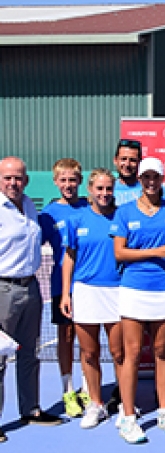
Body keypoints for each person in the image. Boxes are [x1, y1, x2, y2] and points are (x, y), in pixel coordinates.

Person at [111, 157, 165, 444]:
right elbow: (120, 253)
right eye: (146, 177)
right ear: (139, 179)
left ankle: (164, 410)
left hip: (164, 289)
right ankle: (128, 416)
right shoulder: (125, 212)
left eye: (155, 177)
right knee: (131, 353)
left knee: (162, 351)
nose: (151, 182)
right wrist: (158, 252)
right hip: (133, 289)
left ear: (162, 179)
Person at [0, 157, 63, 442]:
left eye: (18, 178)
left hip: (32, 287)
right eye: (7, 178)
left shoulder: (29, 206)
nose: (13, 183)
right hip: (3, 290)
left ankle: (31, 409)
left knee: (29, 353)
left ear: (26, 180)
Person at [60, 169, 123, 429]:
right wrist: (66, 293)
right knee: (89, 352)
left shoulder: (122, 217)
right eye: (99, 189)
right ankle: (95, 404)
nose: (104, 194)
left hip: (118, 291)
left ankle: (124, 405)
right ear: (90, 190)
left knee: (120, 353)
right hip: (85, 291)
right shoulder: (77, 220)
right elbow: (69, 258)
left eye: (109, 188)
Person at [38, 158, 88, 417]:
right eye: (63, 180)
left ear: (80, 181)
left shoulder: (91, 208)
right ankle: (68, 390)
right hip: (61, 286)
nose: (68, 185)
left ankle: (89, 388)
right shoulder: (47, 214)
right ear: (55, 182)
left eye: (72, 180)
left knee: (89, 339)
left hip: (91, 285)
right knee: (66, 338)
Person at [113, 138, 142, 206]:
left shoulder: (151, 189)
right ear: (115, 160)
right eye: (123, 159)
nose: (127, 164)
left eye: (133, 160)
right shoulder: (105, 190)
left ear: (140, 162)